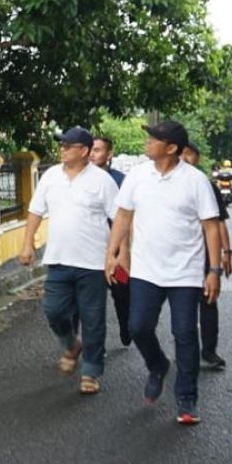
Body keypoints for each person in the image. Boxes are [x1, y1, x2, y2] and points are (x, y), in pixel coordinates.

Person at [104, 120, 223, 425]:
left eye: (153, 139)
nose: (147, 142)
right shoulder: (137, 177)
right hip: (145, 269)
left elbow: (211, 227)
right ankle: (157, 365)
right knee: (138, 327)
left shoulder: (195, 181)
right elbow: (123, 215)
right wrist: (113, 253)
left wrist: (213, 270)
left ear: (171, 148)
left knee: (184, 334)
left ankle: (186, 399)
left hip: (185, 272)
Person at [20, 126, 118, 395]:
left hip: (93, 263)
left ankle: (91, 371)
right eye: (61, 145)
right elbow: (35, 210)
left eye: (68, 146)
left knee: (93, 319)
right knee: (54, 311)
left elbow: (119, 219)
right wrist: (27, 243)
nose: (62, 149)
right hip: (59, 260)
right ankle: (71, 345)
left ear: (84, 151)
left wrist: (116, 255)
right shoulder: (51, 176)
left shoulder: (102, 181)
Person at [182, 141, 232, 369]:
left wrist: (226, 252)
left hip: (205, 253)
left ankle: (209, 351)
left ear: (197, 158)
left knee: (208, 302)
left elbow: (219, 222)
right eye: (181, 154)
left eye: (190, 154)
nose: (185, 158)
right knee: (182, 307)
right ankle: (185, 349)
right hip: (177, 257)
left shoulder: (206, 185)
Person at [90, 136, 130, 345]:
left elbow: (129, 216)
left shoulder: (121, 181)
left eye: (97, 150)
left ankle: (126, 326)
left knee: (122, 294)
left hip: (116, 250)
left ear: (109, 154)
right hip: (90, 249)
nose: (92, 154)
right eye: (91, 149)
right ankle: (94, 344)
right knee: (89, 302)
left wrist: (124, 250)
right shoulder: (80, 179)